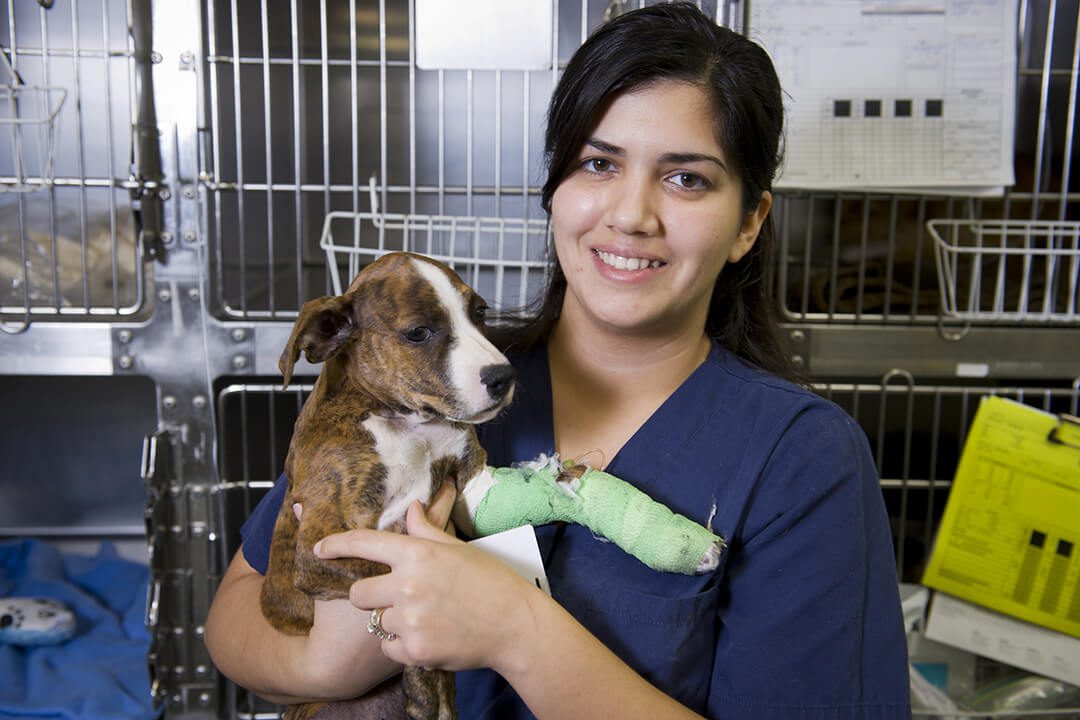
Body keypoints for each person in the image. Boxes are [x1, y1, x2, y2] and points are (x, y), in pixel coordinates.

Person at [204, 3, 912, 718]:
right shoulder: (425, 391)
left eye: (687, 179)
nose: (632, 214)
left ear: (748, 223)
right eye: (599, 163)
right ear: (555, 191)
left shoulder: (802, 458)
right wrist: (335, 659)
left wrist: (517, 631)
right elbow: (233, 623)